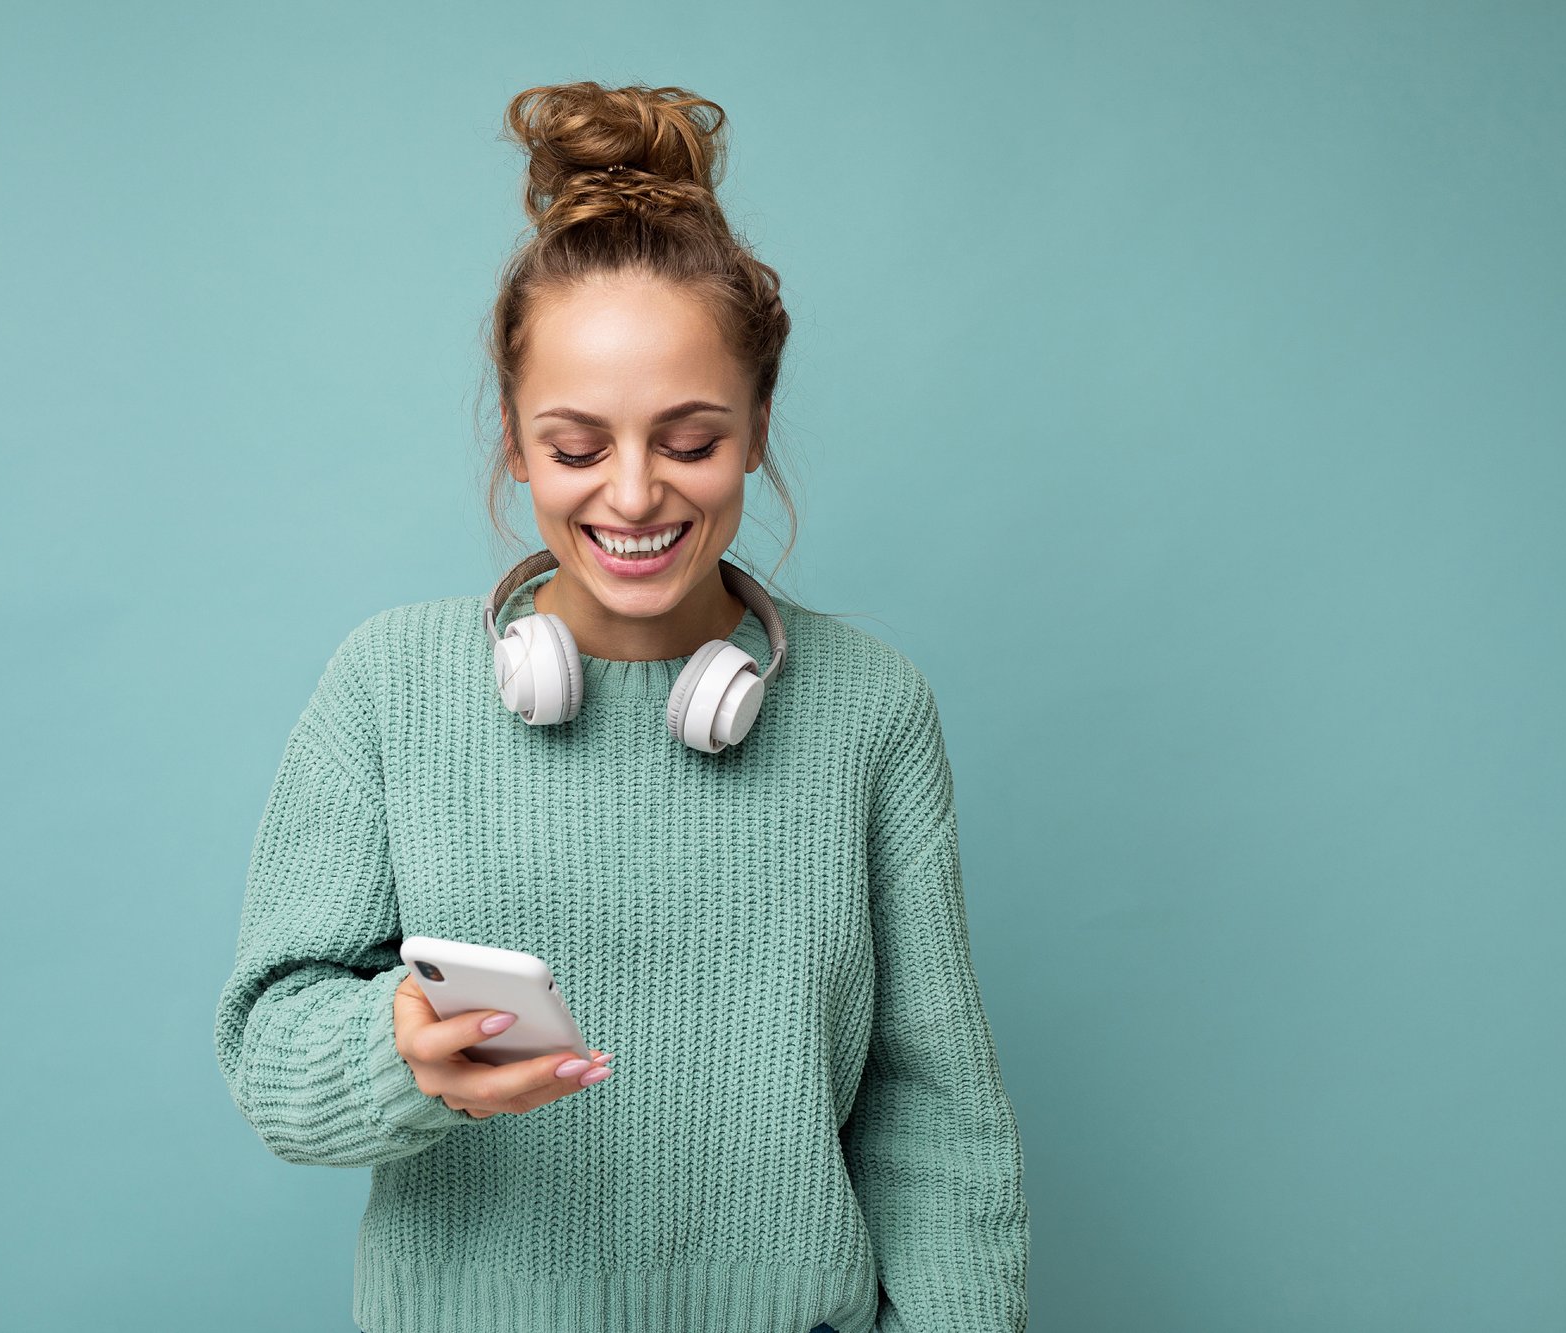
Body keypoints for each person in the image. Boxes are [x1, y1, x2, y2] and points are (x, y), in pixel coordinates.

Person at [213, 80, 1029, 1333]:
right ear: (514, 441)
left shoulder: (870, 710)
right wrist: (398, 1055)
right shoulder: (387, 686)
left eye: (689, 440)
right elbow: (271, 1052)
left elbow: (931, 1112)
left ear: (757, 427)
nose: (635, 495)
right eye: (578, 445)